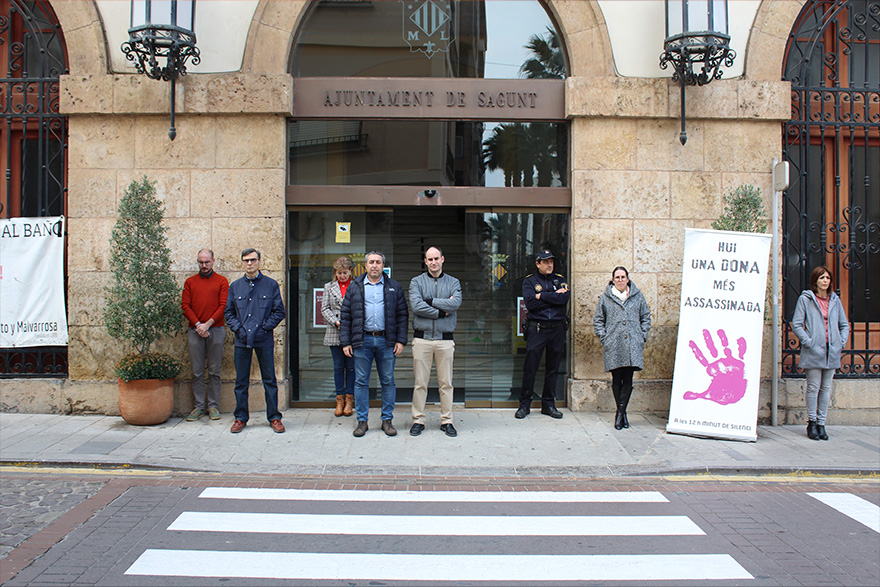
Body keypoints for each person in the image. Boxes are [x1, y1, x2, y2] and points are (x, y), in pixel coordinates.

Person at [340, 251, 408, 438]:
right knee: (361, 381)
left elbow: (402, 315)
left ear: (383, 265)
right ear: (365, 265)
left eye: (378, 262)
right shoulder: (355, 286)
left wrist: (401, 340)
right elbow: (345, 316)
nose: (375, 265)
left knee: (388, 381)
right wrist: (346, 342)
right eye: (371, 262)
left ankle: (387, 420)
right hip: (363, 341)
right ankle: (362, 421)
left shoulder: (394, 286)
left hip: (387, 341)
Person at [224, 248, 286, 434]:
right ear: (242, 263)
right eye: (246, 260)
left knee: (269, 380)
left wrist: (265, 328)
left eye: (252, 260)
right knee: (241, 381)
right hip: (242, 339)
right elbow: (228, 312)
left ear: (259, 261)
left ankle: (274, 417)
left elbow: (279, 311)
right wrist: (238, 328)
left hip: (263, 338)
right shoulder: (235, 286)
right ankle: (240, 417)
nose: (249, 263)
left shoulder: (270, 284)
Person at [408, 246, 462, 437]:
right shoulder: (416, 282)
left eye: (436, 258)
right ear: (425, 261)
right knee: (420, 383)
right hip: (421, 339)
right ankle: (418, 420)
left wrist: (429, 301)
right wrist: (440, 310)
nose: (433, 262)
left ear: (442, 259)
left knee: (446, 383)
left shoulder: (453, 282)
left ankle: (447, 421)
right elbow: (416, 305)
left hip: (445, 341)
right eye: (429, 259)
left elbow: (455, 304)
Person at [791, 265, 849, 441]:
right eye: (822, 278)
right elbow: (797, 324)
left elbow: (844, 324)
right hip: (814, 350)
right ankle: (812, 423)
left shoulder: (835, 300)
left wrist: (841, 342)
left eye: (828, 278)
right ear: (815, 281)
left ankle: (822, 424)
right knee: (813, 388)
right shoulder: (806, 299)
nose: (825, 281)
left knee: (826, 388)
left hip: (831, 351)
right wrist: (808, 342)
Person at [593, 266, 652, 430]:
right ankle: (622, 412)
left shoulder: (637, 296)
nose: (620, 280)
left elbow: (646, 317)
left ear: (627, 278)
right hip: (614, 344)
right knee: (616, 378)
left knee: (628, 378)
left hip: (633, 343)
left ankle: (620, 414)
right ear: (613, 280)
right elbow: (598, 320)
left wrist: (642, 335)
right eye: (617, 277)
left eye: (623, 277)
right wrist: (604, 338)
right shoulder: (606, 297)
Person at [515, 249, 570, 420]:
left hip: (557, 329)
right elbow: (530, 303)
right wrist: (552, 296)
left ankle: (549, 404)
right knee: (530, 368)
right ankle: (524, 405)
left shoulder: (560, 280)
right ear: (537, 264)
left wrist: (542, 296)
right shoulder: (529, 281)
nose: (549, 264)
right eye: (545, 262)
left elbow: (564, 299)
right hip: (537, 329)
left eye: (551, 261)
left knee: (553, 368)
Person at [181, 249, 229, 422]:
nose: (204, 265)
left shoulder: (222, 281)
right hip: (195, 330)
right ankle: (199, 406)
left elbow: (224, 306)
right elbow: (185, 306)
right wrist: (198, 325)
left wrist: (208, 324)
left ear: (213, 261)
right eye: (201, 262)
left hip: (215, 329)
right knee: (197, 370)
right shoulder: (190, 282)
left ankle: (213, 405)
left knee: (215, 370)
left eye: (207, 262)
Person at [321, 255, 355, 417]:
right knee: (338, 367)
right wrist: (335, 321)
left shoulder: (356, 286)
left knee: (351, 367)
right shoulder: (329, 286)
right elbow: (324, 308)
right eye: (339, 273)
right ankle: (339, 399)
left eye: (345, 272)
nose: (342, 276)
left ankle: (350, 400)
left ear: (350, 272)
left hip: (352, 332)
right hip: (335, 331)